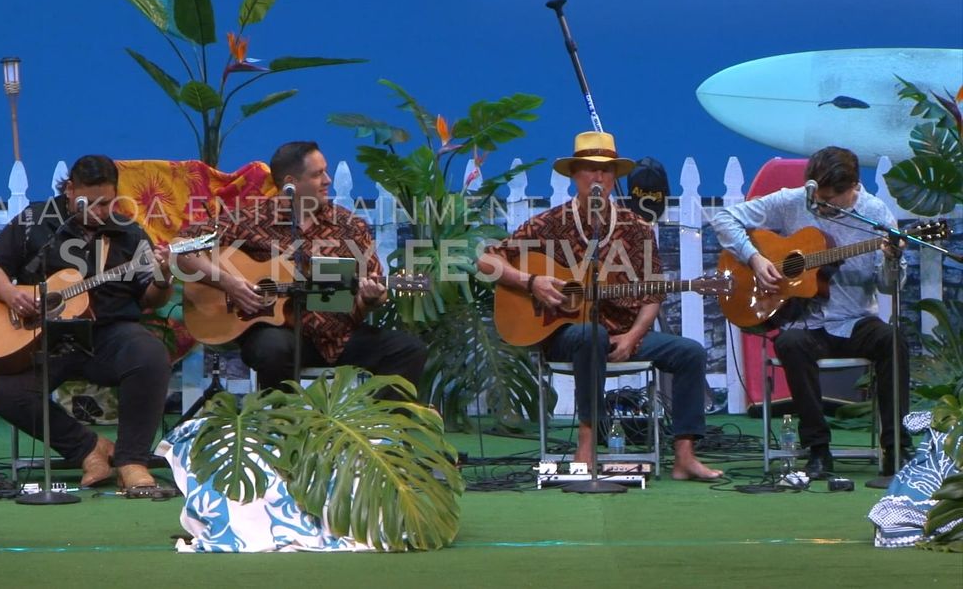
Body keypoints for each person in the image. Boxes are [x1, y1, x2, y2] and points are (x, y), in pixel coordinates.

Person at [479, 131, 724, 481]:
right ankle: (587, 441)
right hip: (566, 334)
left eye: (606, 171)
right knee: (589, 333)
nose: (598, 178)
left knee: (691, 353)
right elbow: (487, 261)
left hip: (625, 333)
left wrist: (635, 335)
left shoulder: (637, 228)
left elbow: (653, 294)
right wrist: (532, 282)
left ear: (614, 178)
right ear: (575, 175)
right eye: (590, 170)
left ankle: (685, 456)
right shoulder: (551, 223)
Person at [0, 155, 174, 490]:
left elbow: (150, 300)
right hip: (45, 338)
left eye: (107, 203)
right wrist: (12, 296)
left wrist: (164, 276)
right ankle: (87, 450)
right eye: (90, 202)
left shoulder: (130, 233)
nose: (99, 212)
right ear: (70, 190)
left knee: (150, 355)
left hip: (110, 335)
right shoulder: (34, 221)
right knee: (5, 391)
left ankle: (131, 460)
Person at [711, 146, 909, 478]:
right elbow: (723, 218)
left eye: (830, 200)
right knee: (790, 343)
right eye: (817, 196)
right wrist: (754, 258)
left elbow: (889, 286)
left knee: (893, 340)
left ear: (853, 189)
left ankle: (896, 450)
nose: (819, 205)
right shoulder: (794, 200)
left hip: (856, 320)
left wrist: (892, 259)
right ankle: (817, 450)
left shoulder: (877, 215)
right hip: (809, 322)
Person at [176, 141, 426, 396]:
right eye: (318, 174)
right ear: (291, 183)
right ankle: (285, 427)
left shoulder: (351, 227)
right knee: (272, 348)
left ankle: (383, 429)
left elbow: (374, 287)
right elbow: (180, 247)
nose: (328, 180)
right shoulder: (248, 218)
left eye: (326, 171)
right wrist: (230, 284)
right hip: (280, 336)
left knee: (408, 349)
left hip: (340, 336)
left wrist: (373, 297)